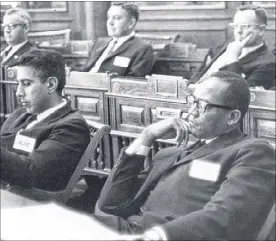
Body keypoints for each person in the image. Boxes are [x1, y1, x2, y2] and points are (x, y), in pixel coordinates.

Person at [95, 71, 275, 240]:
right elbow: (109, 206)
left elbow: (224, 217)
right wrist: (146, 136)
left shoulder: (253, 151)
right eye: (192, 101)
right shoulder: (168, 155)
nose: (191, 112)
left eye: (203, 106)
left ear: (232, 117)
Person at [0, 49, 90, 191]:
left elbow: (31, 172)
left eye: (26, 83)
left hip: (27, 202)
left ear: (51, 85)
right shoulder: (21, 112)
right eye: (18, 83)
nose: (18, 92)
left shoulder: (71, 127)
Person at [190, 4, 275, 90]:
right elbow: (197, 77)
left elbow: (241, 95)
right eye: (235, 26)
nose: (238, 31)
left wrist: (233, 58)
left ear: (261, 30)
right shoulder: (226, 45)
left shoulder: (268, 63)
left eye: (244, 26)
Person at [78, 2, 154, 77]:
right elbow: (85, 70)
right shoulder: (100, 42)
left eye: (117, 18)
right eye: (108, 17)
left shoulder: (142, 48)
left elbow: (133, 82)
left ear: (131, 23)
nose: (110, 22)